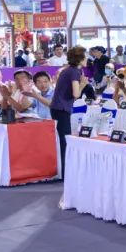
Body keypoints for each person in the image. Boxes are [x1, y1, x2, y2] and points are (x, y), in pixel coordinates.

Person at [51, 46, 88, 175]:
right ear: (80, 59)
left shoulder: (68, 70)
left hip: (58, 108)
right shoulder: (74, 72)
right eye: (85, 56)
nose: (87, 59)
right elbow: (76, 94)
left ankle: (63, 170)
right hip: (61, 108)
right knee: (64, 140)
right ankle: (65, 172)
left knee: (62, 139)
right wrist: (83, 84)